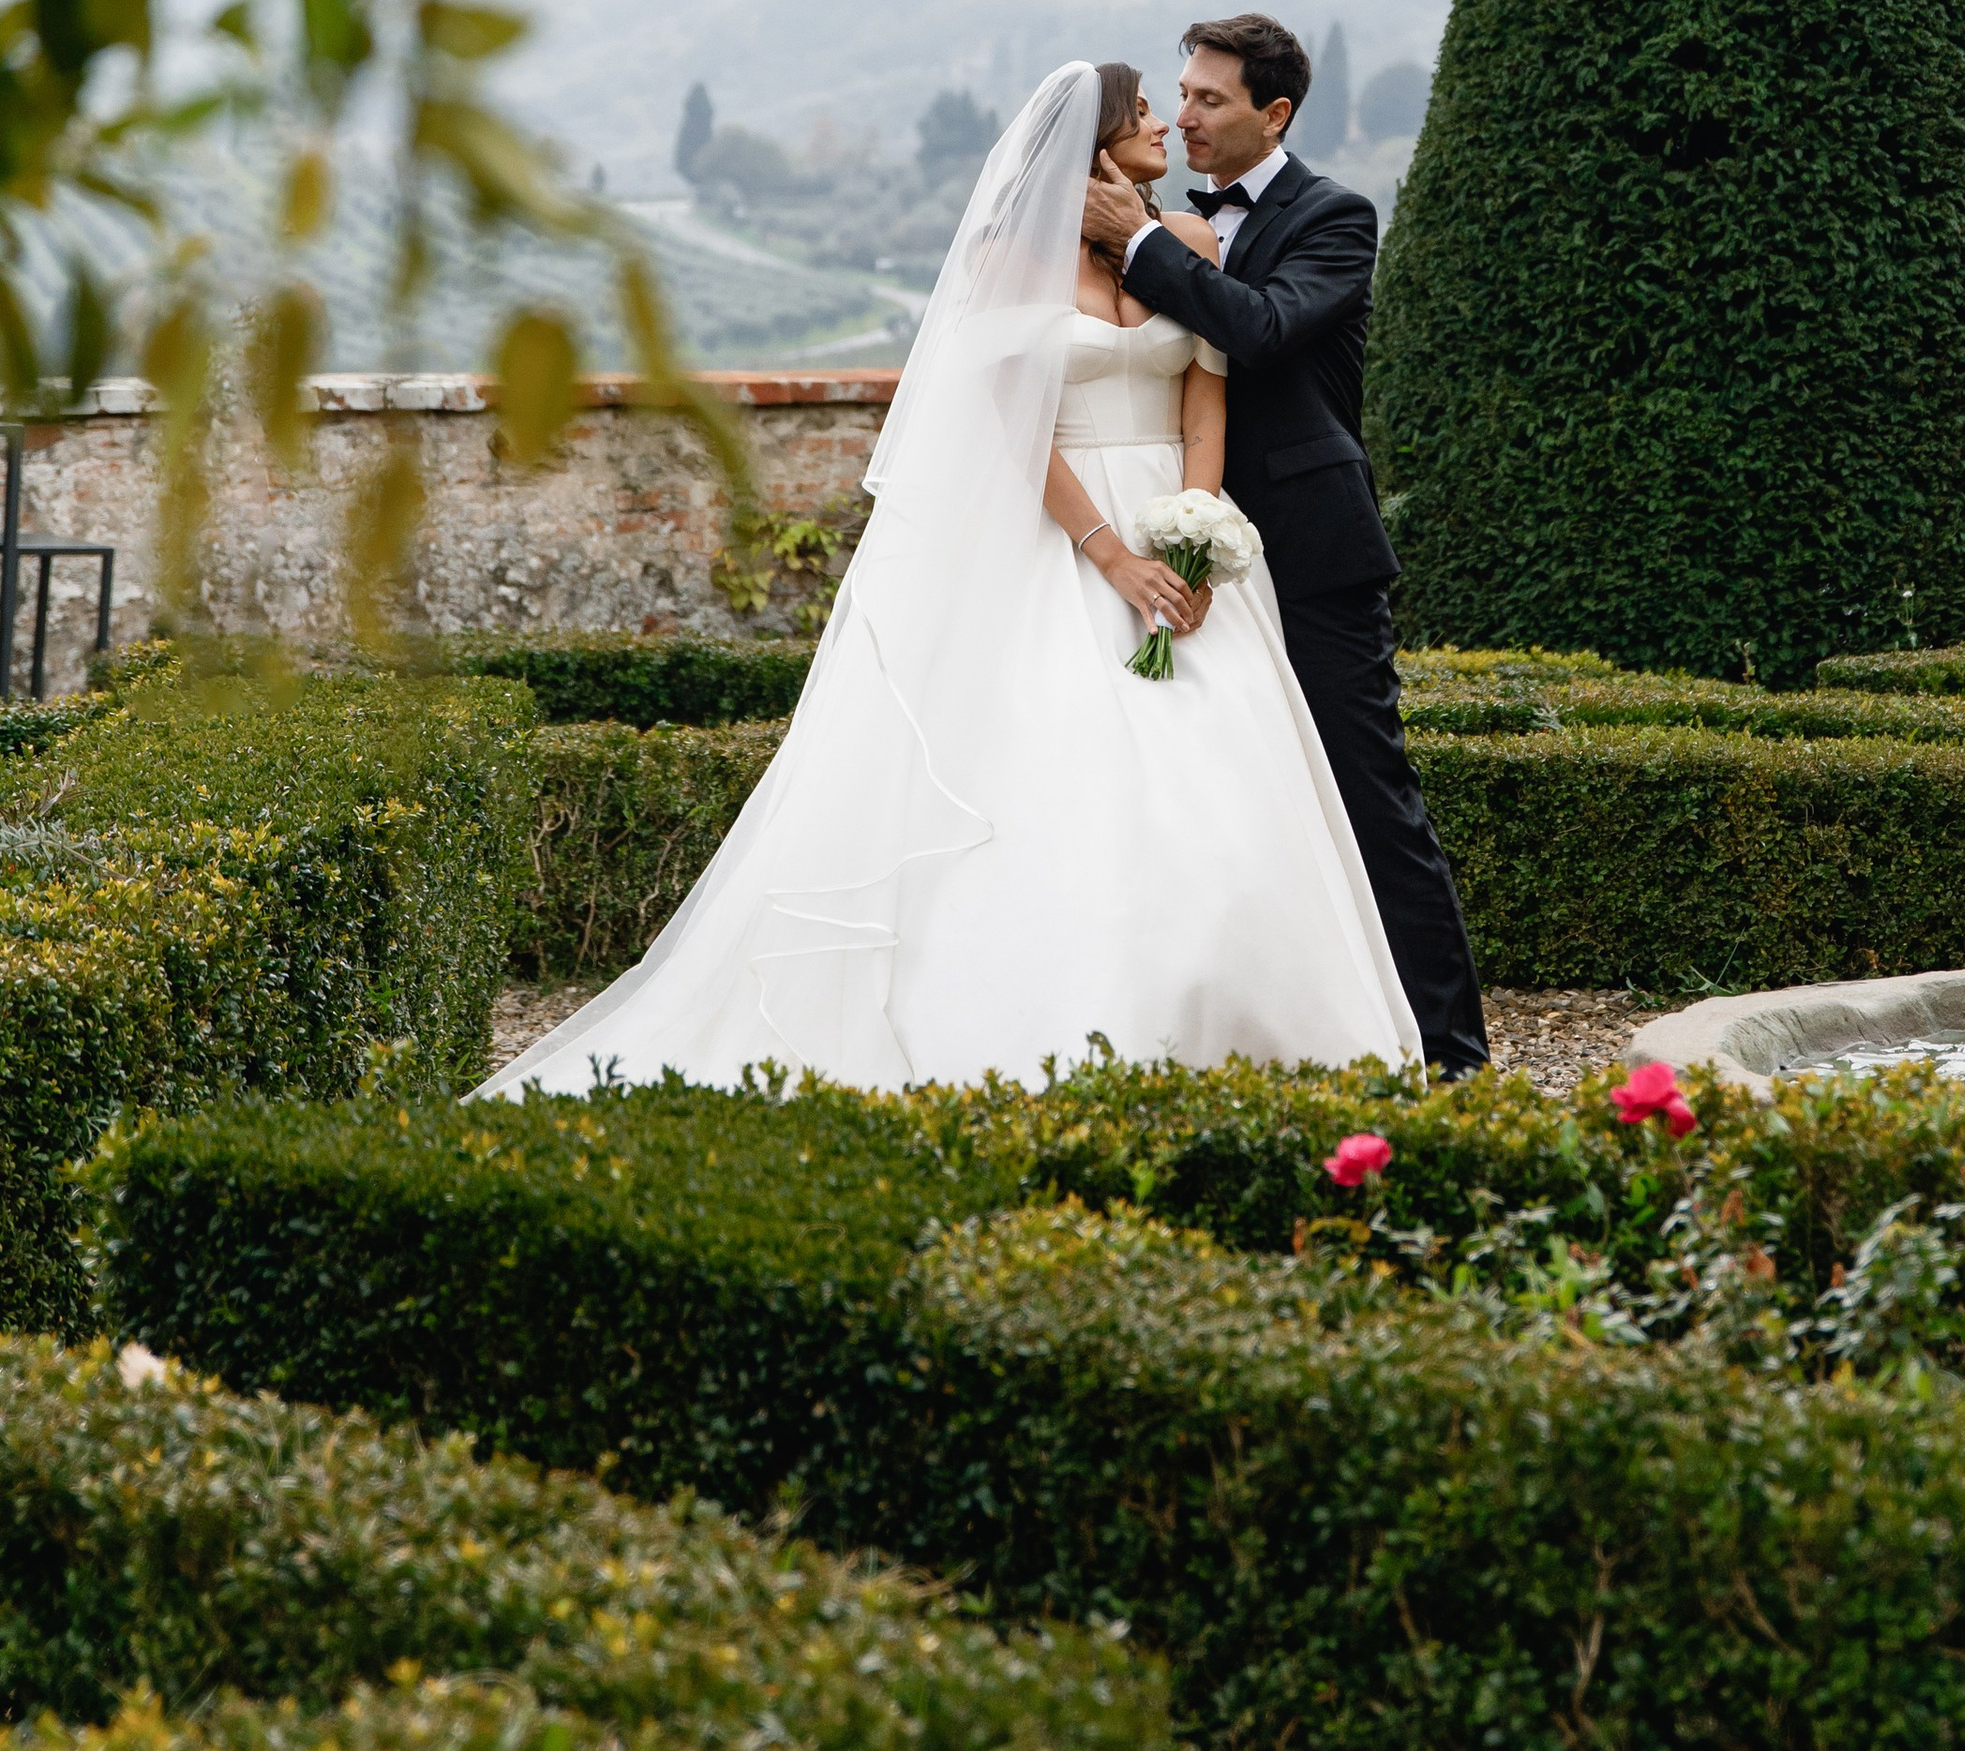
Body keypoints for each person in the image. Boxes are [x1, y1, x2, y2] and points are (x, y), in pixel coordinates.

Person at [484, 61, 1419, 1097]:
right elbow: (1011, 431)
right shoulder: (1004, 259)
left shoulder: (1188, 245)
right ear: (1098, 139)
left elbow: (1207, 406)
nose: (1164, 122)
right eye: (1146, 108)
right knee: (1058, 782)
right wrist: (1111, 554)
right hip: (1063, 541)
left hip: (1177, 522)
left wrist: (1192, 541)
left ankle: (1252, 1028)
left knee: (1228, 789)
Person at [1082, 10, 1489, 1079]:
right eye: (1181, 95)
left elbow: (1256, 330)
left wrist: (1136, 243)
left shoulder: (1335, 218)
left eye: (1210, 100)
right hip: (1179, 564)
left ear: (1275, 113)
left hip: (1306, 555)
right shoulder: (1160, 221)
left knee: (1371, 803)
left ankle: (1450, 1056)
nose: (1186, 115)